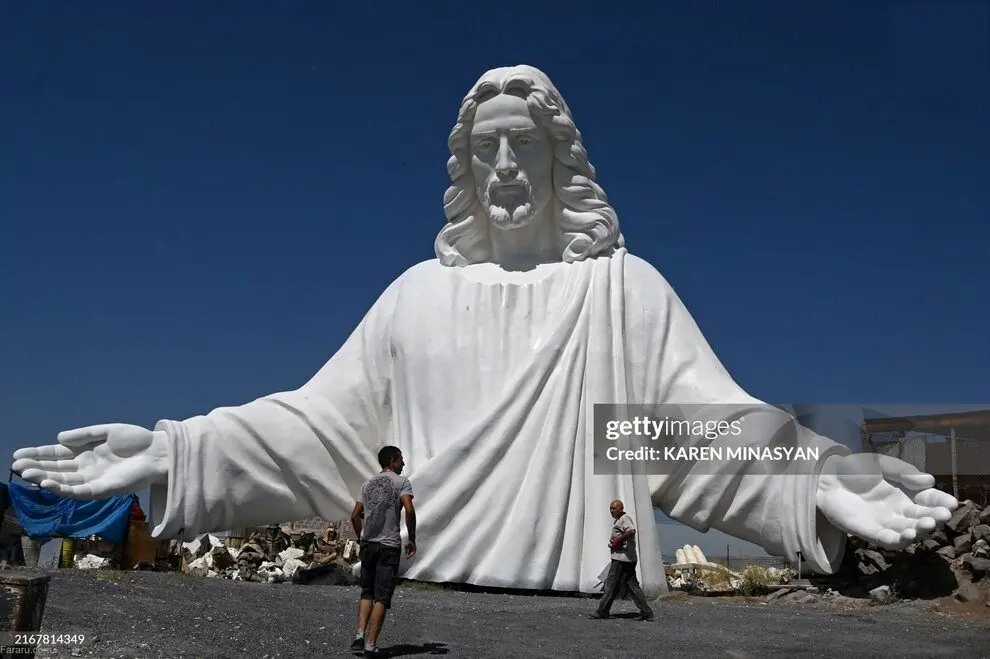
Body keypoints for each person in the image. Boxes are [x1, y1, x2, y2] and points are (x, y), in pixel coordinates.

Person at [11, 64, 956, 599]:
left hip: (588, 596)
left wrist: (824, 472)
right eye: (483, 146)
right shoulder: (417, 297)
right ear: (465, 166)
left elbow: (689, 434)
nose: (504, 164)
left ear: (559, 158)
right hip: (431, 597)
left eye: (525, 144)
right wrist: (173, 450)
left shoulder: (621, 293)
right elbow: (316, 433)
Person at [349, 445, 416, 657]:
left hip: (368, 544)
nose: (403, 464)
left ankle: (359, 636)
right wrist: (412, 538)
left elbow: (355, 515)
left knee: (366, 591)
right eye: (401, 460)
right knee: (382, 597)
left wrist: (362, 536)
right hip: (388, 545)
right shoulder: (402, 482)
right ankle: (371, 644)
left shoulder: (367, 484)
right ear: (393, 461)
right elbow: (409, 509)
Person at [589, 500, 655, 621]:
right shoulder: (619, 520)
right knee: (632, 585)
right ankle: (647, 612)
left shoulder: (625, 519)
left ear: (621, 508)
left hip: (621, 559)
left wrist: (618, 541)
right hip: (627, 559)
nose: (611, 511)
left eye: (614, 508)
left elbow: (631, 531)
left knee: (611, 585)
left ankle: (602, 611)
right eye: (610, 508)